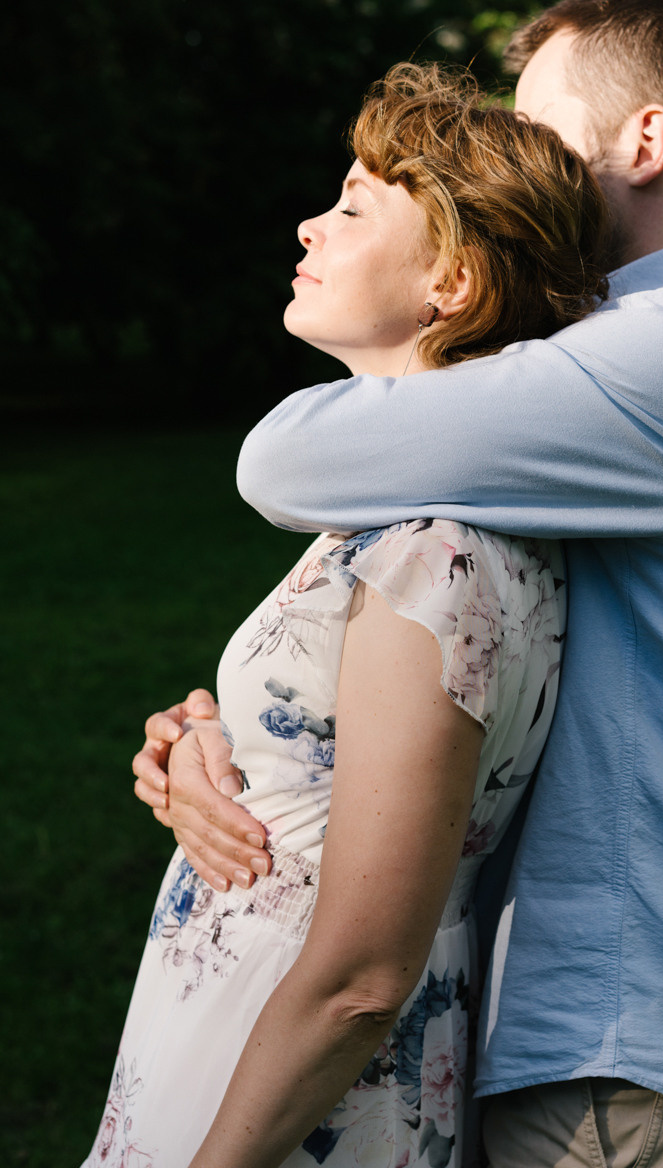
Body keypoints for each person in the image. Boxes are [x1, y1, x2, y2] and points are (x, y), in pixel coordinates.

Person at [136, 0, 663, 1166]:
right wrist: (227, 741)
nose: (514, 155)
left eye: (539, 125)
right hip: (617, 1044)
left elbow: (288, 456)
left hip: (640, 1060)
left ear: (644, 142)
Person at [84, 62, 612, 1168]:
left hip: (294, 1087)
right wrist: (205, 736)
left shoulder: (436, 553)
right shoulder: (409, 515)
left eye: (354, 209)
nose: (309, 226)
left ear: (451, 283)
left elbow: (364, 977)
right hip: (243, 1029)